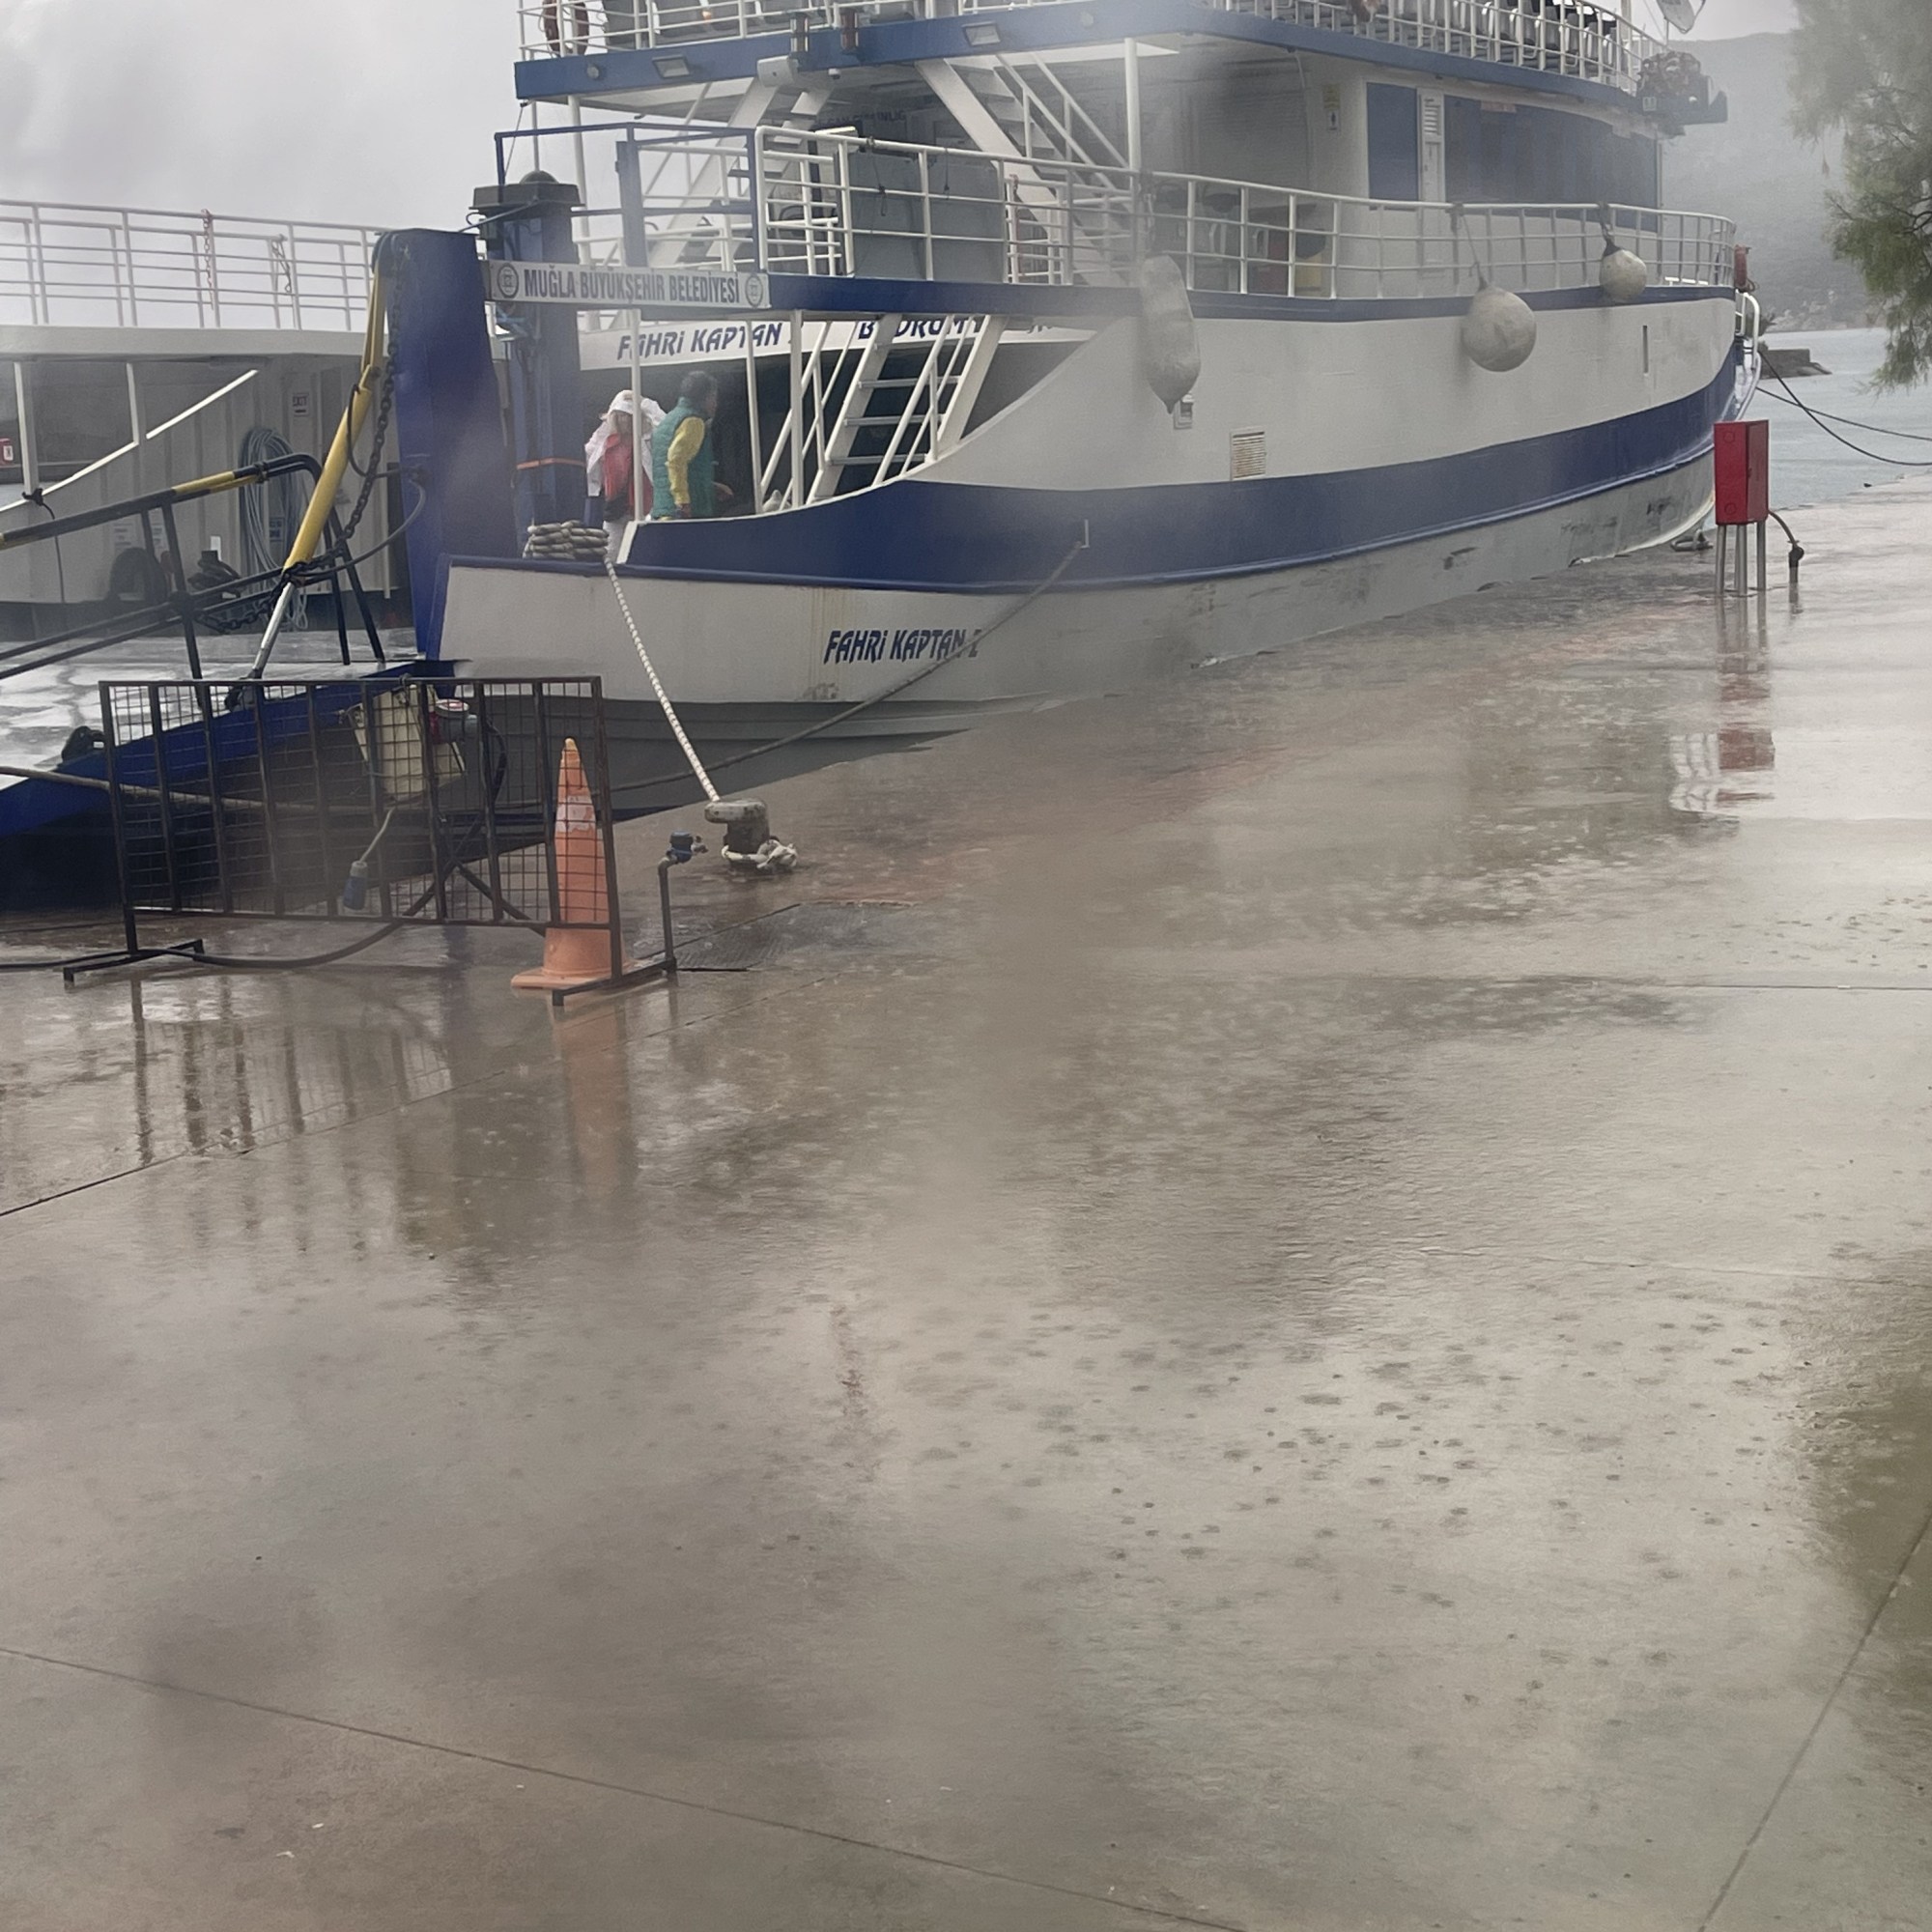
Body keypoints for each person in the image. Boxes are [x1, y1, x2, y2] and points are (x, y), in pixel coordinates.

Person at [651, 370, 735, 520]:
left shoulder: (669, 420)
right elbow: (676, 460)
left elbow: (673, 469)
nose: (716, 404)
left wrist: (709, 487)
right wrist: (682, 501)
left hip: (664, 508)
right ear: (705, 397)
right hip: (683, 514)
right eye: (714, 397)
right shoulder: (693, 421)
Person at [583, 389, 663, 528]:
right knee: (611, 542)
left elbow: (665, 424)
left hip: (645, 506)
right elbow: (586, 455)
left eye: (628, 416)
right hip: (615, 508)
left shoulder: (648, 437)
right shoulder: (604, 439)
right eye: (620, 415)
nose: (624, 420)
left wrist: (643, 402)